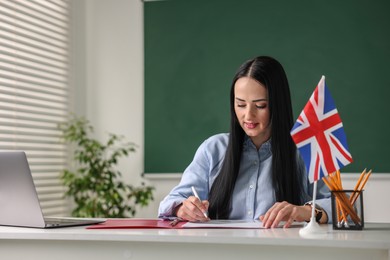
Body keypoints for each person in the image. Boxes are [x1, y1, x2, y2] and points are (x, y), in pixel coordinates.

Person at [158, 56, 331, 228]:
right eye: (241, 104)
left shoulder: (304, 151)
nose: (248, 115)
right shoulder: (213, 150)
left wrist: (307, 211)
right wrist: (182, 208)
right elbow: (170, 202)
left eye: (260, 105)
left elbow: (346, 208)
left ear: (278, 104)